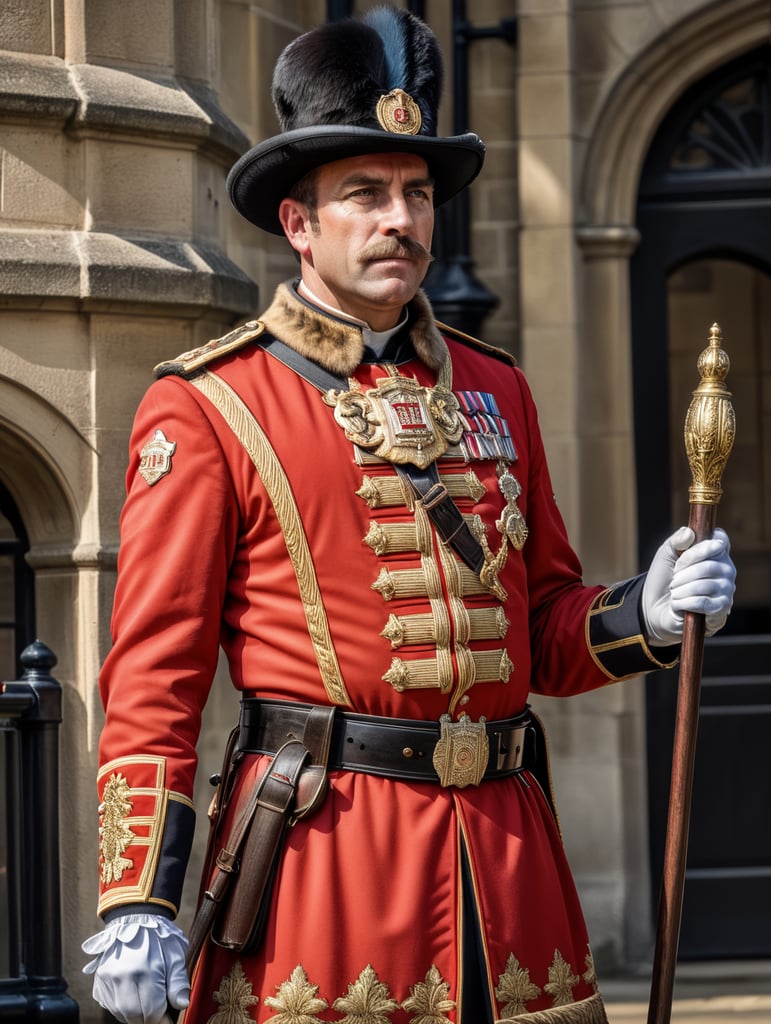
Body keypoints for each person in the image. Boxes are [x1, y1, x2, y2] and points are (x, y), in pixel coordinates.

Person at [83, 8, 736, 1024]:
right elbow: (152, 675)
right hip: (324, 862)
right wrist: (139, 895)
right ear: (299, 223)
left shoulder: (495, 386)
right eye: (366, 195)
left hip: (515, 868)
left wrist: (643, 615)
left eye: (417, 195)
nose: (401, 219)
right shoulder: (213, 402)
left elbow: (544, 632)